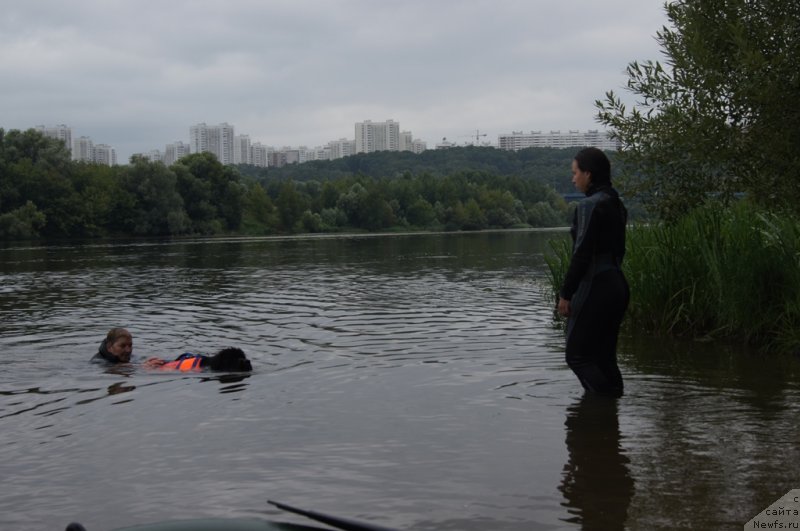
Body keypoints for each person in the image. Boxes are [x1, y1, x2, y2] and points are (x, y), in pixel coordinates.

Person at [558, 147, 629, 398]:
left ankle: (601, 410)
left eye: (575, 172)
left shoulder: (588, 206)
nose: (573, 178)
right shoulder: (617, 205)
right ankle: (612, 414)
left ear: (588, 174)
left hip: (596, 284)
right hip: (617, 284)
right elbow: (619, 251)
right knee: (604, 357)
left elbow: (582, 254)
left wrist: (566, 294)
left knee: (576, 356)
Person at [143, 347, 253, 372]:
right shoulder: (197, 369)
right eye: (237, 360)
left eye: (242, 359)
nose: (244, 361)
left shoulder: (212, 365)